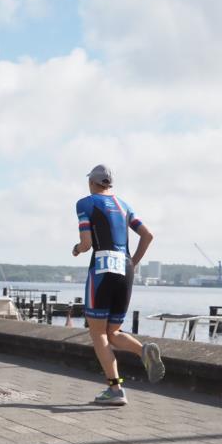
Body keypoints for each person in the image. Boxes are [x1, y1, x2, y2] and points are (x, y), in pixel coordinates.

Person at [72, 165, 164, 405]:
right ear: (109, 184)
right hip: (126, 270)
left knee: (98, 333)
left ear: (92, 182)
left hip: (102, 270)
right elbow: (148, 235)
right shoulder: (125, 205)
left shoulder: (86, 203)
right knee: (112, 332)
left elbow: (86, 242)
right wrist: (132, 262)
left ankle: (115, 391)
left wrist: (76, 249)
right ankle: (143, 350)